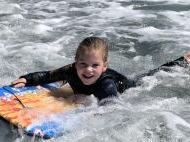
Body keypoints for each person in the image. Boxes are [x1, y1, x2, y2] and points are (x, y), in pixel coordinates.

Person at [11, 37, 190, 103]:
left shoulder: (106, 84)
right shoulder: (71, 70)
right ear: (75, 62)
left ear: (105, 66)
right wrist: (27, 79)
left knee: (152, 75)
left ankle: (182, 62)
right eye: (83, 64)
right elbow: (47, 76)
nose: (88, 70)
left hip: (127, 86)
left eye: (95, 65)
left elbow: (111, 106)